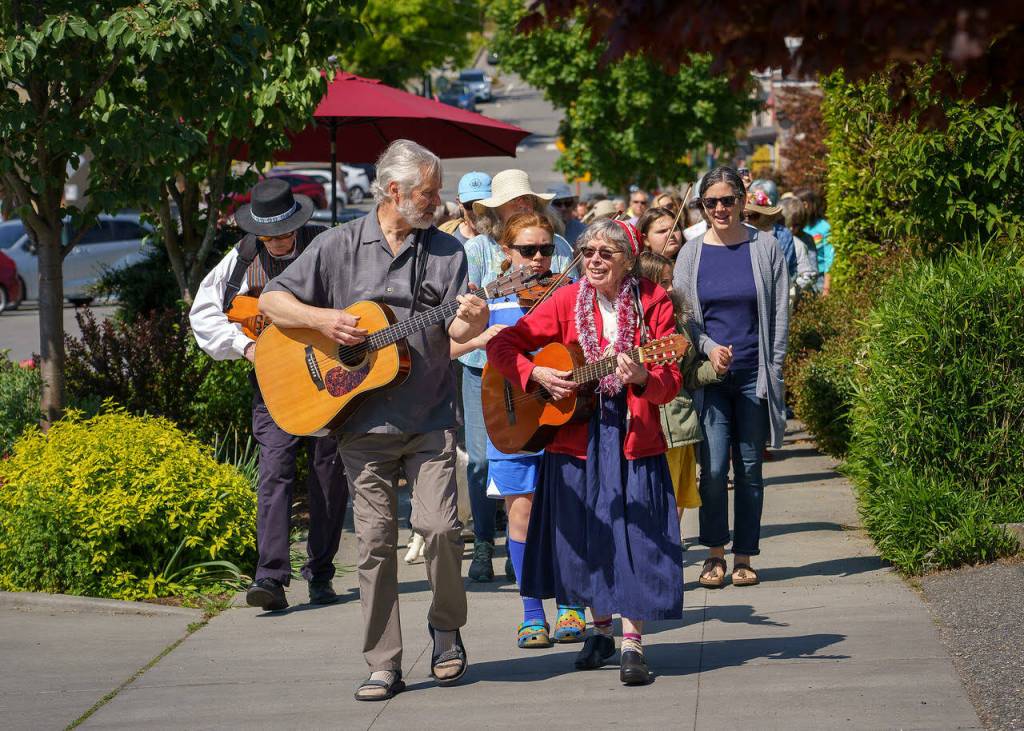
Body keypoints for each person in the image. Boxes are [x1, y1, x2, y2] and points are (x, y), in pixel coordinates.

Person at [259, 139, 489, 701]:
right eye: (430, 193)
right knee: (375, 543)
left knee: (439, 529)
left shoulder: (447, 253)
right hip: (359, 422)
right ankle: (383, 662)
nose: (439, 203)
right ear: (396, 192)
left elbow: (457, 333)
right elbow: (271, 301)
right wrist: (324, 320)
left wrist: (474, 318)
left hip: (430, 417)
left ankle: (446, 629)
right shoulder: (337, 245)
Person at [487, 219, 684, 686]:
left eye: (605, 253)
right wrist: (533, 375)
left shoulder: (653, 301)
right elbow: (504, 345)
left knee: (636, 538)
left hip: (633, 436)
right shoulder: (564, 299)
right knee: (586, 536)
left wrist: (642, 377)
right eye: (588, 250)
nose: (594, 259)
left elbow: (670, 380)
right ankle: (599, 632)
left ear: (628, 260)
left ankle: (633, 642)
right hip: (575, 437)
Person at [189, 178, 348, 613]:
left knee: (329, 475)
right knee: (275, 471)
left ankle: (321, 572)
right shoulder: (240, 260)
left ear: (296, 224)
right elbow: (203, 314)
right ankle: (270, 579)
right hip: (274, 383)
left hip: (332, 379)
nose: (277, 242)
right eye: (268, 236)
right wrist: (247, 347)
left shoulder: (326, 246)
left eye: (283, 233)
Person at [453, 212, 584, 648]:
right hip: (512, 414)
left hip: (564, 417)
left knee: (568, 510)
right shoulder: (492, 295)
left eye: (546, 249)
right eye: (527, 250)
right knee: (521, 513)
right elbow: (450, 344)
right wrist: (482, 334)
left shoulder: (569, 292)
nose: (538, 258)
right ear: (506, 252)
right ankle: (532, 612)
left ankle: (571, 605)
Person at [673, 166, 789, 590]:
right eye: (711, 202)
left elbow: (778, 315)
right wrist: (707, 348)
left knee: (751, 468)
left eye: (728, 200)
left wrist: (772, 370)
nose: (720, 209)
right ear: (702, 206)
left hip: (753, 376)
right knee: (715, 467)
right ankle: (715, 554)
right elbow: (683, 317)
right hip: (710, 377)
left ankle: (744, 556)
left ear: (743, 199)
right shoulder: (691, 252)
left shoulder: (766, 247)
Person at [460, 169, 574, 583]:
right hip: (486, 372)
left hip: (551, 370)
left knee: (553, 486)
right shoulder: (477, 248)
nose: (522, 206)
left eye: (529, 200)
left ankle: (559, 589)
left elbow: (568, 285)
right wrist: (480, 334)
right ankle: (487, 542)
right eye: (514, 202)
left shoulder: (556, 245)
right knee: (482, 461)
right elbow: (460, 322)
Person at [638, 252, 722, 524]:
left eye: (671, 280)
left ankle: (670, 551)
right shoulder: (630, 324)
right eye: (663, 282)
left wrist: (715, 369)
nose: (671, 288)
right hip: (644, 429)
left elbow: (689, 375)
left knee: (673, 504)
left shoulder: (680, 321)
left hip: (678, 425)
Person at [744, 189, 798, 279]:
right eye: (743, 216)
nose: (747, 221)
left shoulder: (782, 235)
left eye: (753, 216)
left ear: (766, 215)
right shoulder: (739, 233)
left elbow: (783, 269)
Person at [779, 196, 818, 299]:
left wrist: (793, 287)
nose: (791, 229)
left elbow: (812, 272)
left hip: (801, 295)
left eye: (796, 225)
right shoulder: (777, 237)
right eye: (788, 223)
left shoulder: (806, 240)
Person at [796, 189, 833, 296]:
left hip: (819, 280)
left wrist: (826, 289)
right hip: (799, 279)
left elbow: (829, 260)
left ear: (805, 205)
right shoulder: (796, 227)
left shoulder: (824, 228)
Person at [439, 171, 490, 244]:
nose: (476, 212)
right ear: (459, 203)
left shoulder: (506, 236)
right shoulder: (445, 233)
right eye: (469, 205)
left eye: (482, 205)